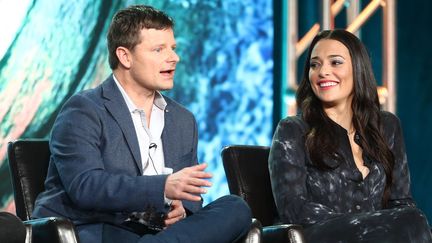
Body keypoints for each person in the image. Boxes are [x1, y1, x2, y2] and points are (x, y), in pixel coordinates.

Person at [32, 5, 251, 243]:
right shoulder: (84, 109)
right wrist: (162, 188)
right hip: (102, 227)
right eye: (159, 49)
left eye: (173, 48)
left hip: (159, 233)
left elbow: (189, 198)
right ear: (125, 56)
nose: (174, 57)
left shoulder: (182, 119)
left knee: (235, 207)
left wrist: (183, 210)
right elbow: (86, 187)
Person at [269, 29, 432, 242]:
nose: (322, 72)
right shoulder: (292, 129)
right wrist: (368, 224)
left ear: (358, 68)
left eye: (335, 62)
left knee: (413, 219)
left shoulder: (387, 126)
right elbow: (294, 209)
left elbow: (401, 202)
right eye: (314, 65)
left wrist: (381, 226)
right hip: (318, 235)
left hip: (382, 236)